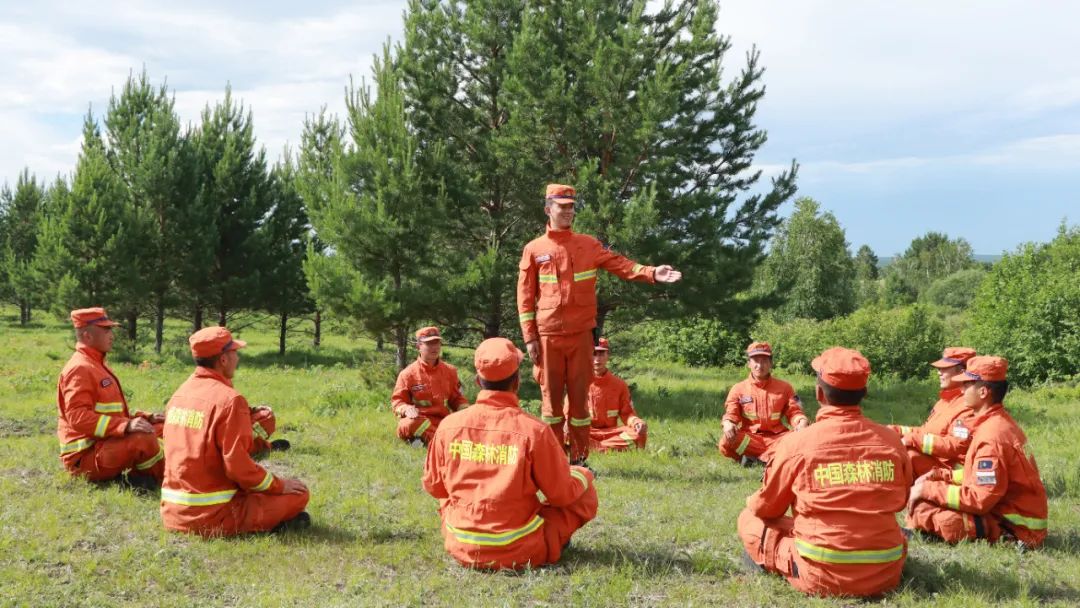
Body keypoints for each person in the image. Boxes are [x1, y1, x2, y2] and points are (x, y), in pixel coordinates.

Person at [517, 183, 682, 466]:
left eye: (571, 207)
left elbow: (620, 264)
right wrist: (530, 338)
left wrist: (652, 272)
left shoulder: (588, 245)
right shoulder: (534, 249)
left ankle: (579, 459)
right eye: (562, 207)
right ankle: (555, 461)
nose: (568, 212)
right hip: (548, 337)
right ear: (548, 209)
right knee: (551, 405)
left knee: (580, 405)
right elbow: (524, 297)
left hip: (581, 336)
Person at [737, 347, 913, 598]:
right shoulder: (891, 440)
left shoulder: (797, 444)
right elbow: (902, 499)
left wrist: (751, 502)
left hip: (820, 576)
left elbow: (768, 509)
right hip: (885, 574)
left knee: (749, 519)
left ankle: (773, 559)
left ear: (820, 393)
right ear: (864, 393)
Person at [422, 337, 597, 570]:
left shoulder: (448, 425)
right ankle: (552, 541)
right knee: (583, 489)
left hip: (461, 544)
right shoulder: (535, 431)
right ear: (516, 382)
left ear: (477, 381)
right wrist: (583, 474)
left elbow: (435, 487)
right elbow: (561, 496)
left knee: (447, 496)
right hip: (521, 549)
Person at [160, 326, 310, 537]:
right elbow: (238, 467)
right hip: (212, 516)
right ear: (223, 360)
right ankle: (266, 525)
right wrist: (279, 485)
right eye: (234, 353)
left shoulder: (179, 395)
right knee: (300, 494)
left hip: (172, 513)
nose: (237, 358)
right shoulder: (230, 400)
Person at [906, 356, 1048, 548]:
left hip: (1015, 528)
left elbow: (979, 500)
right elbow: (976, 476)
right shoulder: (996, 424)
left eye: (967, 384)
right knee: (926, 501)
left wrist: (927, 489)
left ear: (983, 392)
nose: (962, 389)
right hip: (1003, 511)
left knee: (925, 510)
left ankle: (1001, 538)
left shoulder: (992, 436)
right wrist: (939, 475)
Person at [56, 307, 165, 485]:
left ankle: (161, 469)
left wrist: (146, 417)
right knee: (143, 438)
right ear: (87, 336)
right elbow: (78, 417)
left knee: (159, 427)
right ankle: (166, 479)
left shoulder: (96, 364)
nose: (111, 335)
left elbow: (112, 414)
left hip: (104, 444)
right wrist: (126, 425)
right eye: (106, 330)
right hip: (85, 458)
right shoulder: (80, 368)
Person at [886, 347, 978, 477]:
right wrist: (897, 430)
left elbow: (955, 446)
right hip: (932, 464)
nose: (939, 373)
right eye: (939, 369)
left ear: (961, 372)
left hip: (950, 473)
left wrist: (912, 440)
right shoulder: (943, 402)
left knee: (908, 455)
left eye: (944, 369)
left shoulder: (967, 406)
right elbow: (925, 431)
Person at [719, 342, 808, 466]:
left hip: (778, 438)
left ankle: (755, 459)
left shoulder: (785, 387)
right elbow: (731, 413)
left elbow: (794, 411)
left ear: (771, 363)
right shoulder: (738, 389)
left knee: (799, 439)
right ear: (749, 363)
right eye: (756, 361)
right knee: (726, 441)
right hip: (750, 439)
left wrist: (801, 421)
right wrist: (728, 423)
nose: (760, 365)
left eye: (764, 361)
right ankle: (774, 458)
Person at [391, 326, 469, 446]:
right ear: (418, 346)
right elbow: (397, 402)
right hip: (420, 420)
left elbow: (457, 398)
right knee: (407, 425)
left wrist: (466, 411)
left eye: (437, 342)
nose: (435, 347)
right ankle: (443, 441)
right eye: (429, 343)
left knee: (470, 421)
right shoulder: (407, 374)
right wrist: (406, 409)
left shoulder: (450, 371)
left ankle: (425, 440)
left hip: (443, 420)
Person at [584, 338, 646, 452]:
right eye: (594, 354)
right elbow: (568, 414)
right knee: (565, 435)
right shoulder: (580, 384)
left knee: (638, 434)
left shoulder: (620, 385)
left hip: (611, 433)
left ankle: (595, 448)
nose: (597, 359)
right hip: (587, 432)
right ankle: (607, 448)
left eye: (601, 354)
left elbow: (628, 414)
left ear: (608, 355)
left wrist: (637, 422)